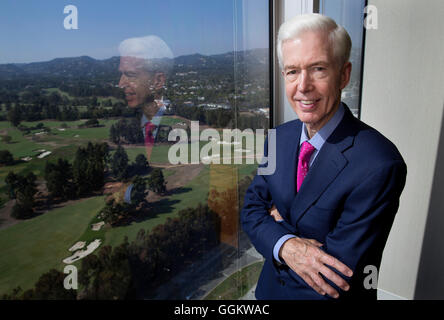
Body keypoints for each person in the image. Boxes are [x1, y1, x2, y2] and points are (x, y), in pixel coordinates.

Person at [241, 14, 407, 300]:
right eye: (292, 71)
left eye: (318, 69)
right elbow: (251, 212)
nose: (303, 86)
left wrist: (276, 225)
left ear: (344, 75)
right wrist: (287, 244)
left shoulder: (380, 164)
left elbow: (335, 277)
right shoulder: (279, 139)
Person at [116, 35, 173, 204]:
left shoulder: (177, 124)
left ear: (158, 81)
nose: (121, 83)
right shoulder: (138, 119)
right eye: (121, 75)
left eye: (131, 75)